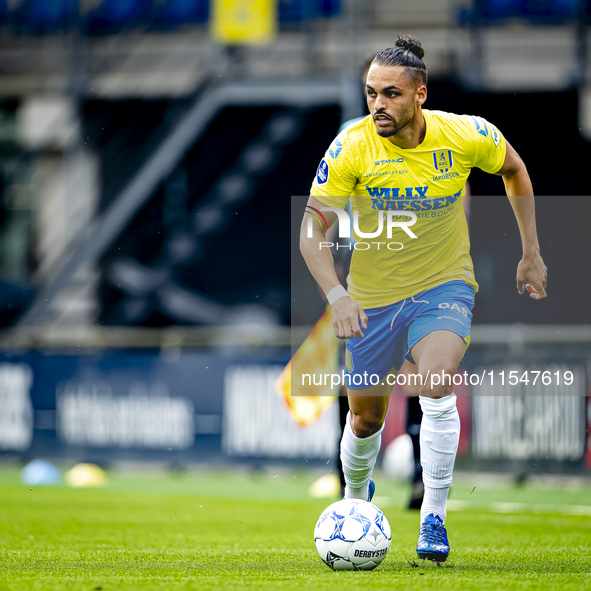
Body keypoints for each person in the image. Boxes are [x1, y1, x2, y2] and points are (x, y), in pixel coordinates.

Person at [300, 34, 547, 562]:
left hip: (443, 286)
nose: (377, 105)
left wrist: (531, 252)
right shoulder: (351, 146)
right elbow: (311, 229)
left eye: (390, 94)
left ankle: (432, 517)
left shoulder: (466, 134)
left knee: (436, 383)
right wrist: (338, 294)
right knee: (363, 420)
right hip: (371, 298)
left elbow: (514, 170)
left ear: (420, 95)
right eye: (370, 93)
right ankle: (353, 505)